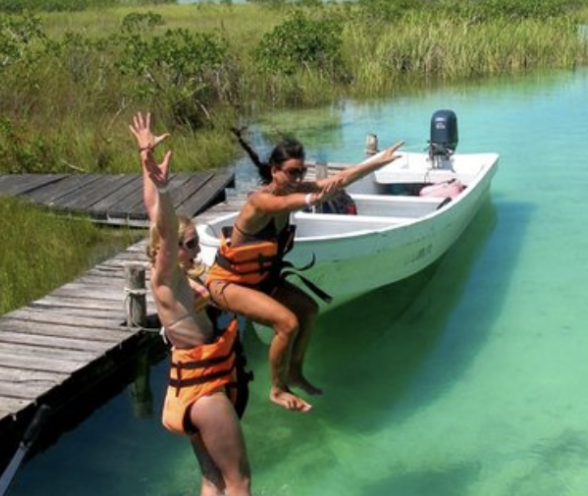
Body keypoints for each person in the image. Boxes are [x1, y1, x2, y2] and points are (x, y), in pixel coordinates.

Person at [206, 129, 403, 412]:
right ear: (275, 171)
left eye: (302, 172)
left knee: (309, 309)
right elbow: (284, 204)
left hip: (261, 280)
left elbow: (337, 180)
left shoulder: (293, 189)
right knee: (288, 323)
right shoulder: (259, 200)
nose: (298, 179)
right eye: (292, 172)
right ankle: (277, 389)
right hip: (229, 283)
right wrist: (314, 198)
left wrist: (378, 162)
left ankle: (295, 372)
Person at [130, 112, 252, 496]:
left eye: (198, 240)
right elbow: (164, 230)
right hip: (206, 393)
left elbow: (154, 215)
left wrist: (145, 160)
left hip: (190, 389)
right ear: (167, 250)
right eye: (191, 243)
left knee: (212, 478)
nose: (198, 248)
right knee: (239, 480)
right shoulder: (166, 279)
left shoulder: (177, 276)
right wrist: (165, 192)